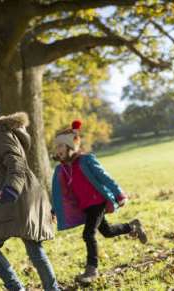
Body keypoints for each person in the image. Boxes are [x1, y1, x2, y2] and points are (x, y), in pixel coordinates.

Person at [0, 90, 59, 291]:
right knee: (33, 247)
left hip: (16, 197)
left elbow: (17, 164)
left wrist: (10, 189)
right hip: (21, 197)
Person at [51, 119, 147, 284]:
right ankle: (133, 226)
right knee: (107, 231)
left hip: (97, 202)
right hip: (86, 206)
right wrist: (55, 210)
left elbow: (104, 177)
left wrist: (119, 194)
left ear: (69, 146)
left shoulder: (86, 160)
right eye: (56, 147)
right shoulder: (64, 170)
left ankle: (91, 270)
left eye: (60, 146)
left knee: (88, 234)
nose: (57, 150)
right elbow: (63, 194)